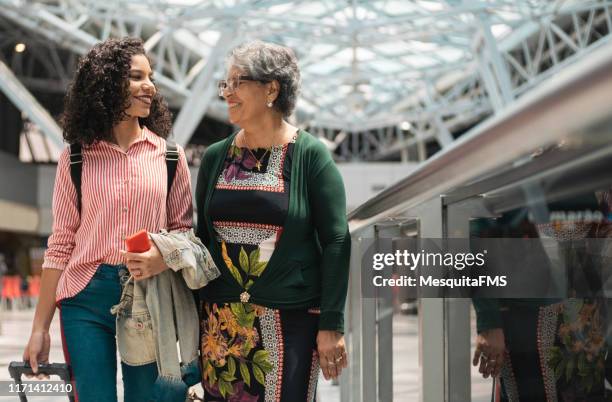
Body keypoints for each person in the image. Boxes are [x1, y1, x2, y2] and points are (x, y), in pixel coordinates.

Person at [22, 37, 193, 402]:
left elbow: (184, 233)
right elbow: (61, 244)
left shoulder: (171, 158)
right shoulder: (76, 159)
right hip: (85, 294)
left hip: (149, 296)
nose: (149, 86)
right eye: (136, 77)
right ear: (106, 83)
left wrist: (161, 257)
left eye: (151, 77)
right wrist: (40, 328)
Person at [195, 40, 351, 401]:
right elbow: (203, 238)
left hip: (290, 322)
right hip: (220, 327)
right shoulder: (216, 157)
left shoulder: (310, 155)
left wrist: (331, 324)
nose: (227, 93)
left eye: (238, 82)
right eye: (225, 84)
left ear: (271, 88)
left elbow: (337, 241)